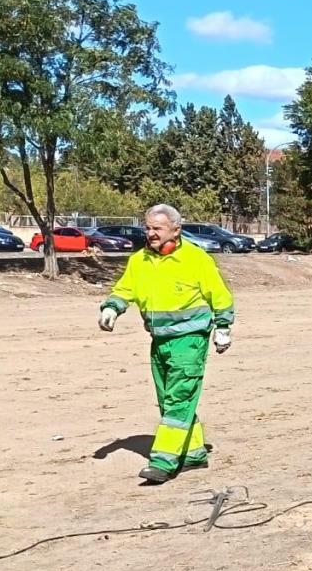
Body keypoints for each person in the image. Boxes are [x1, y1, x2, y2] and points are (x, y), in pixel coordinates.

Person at [97, 204, 235, 484]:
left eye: (157, 228)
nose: (150, 233)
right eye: (148, 228)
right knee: (168, 400)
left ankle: (163, 460)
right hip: (159, 342)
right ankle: (194, 453)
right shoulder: (139, 261)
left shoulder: (196, 259)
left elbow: (220, 295)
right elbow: (125, 289)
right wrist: (112, 308)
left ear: (176, 229)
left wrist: (223, 326)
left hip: (190, 341)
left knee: (178, 398)